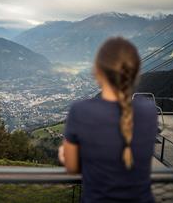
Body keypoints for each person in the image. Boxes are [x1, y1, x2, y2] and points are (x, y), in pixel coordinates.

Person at [58, 37, 158, 203]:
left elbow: (72, 167)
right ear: (135, 73)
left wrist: (64, 155)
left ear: (97, 71)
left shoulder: (80, 111)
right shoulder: (149, 110)